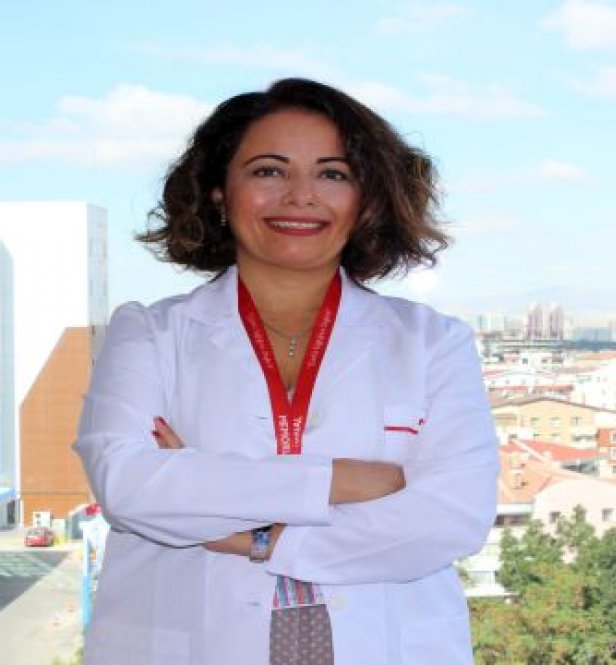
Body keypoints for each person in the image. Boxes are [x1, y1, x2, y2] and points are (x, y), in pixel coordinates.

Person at [74, 78, 499, 665]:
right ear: (219, 193)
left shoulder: (433, 343)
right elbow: (128, 486)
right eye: (269, 170)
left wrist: (254, 536)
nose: (300, 196)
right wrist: (340, 482)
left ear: (366, 199)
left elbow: (451, 519)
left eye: (333, 174)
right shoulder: (148, 333)